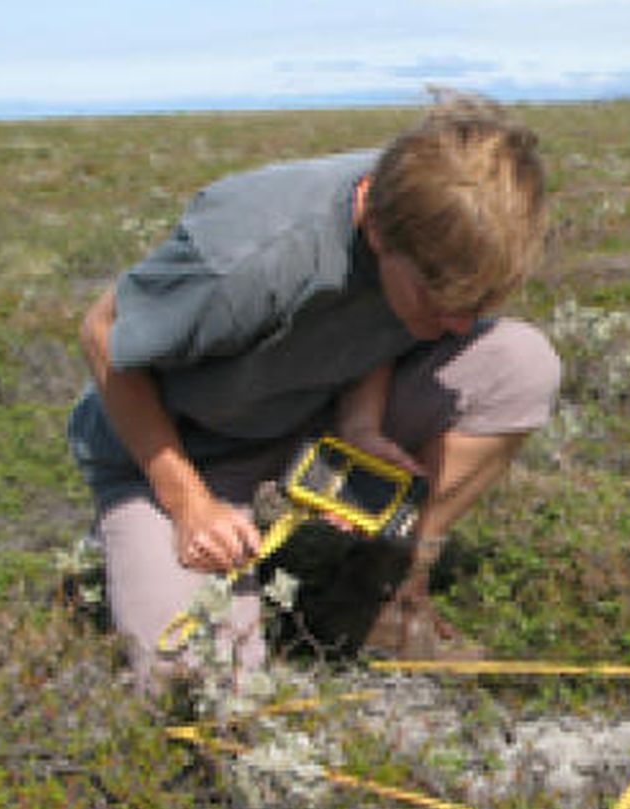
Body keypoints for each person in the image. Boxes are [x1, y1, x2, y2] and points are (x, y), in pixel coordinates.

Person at [67, 94, 561, 688]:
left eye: (475, 306)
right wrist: (188, 503)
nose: (458, 326)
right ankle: (134, 545)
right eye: (438, 304)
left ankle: (376, 597)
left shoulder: (430, 209)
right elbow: (101, 334)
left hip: (308, 418)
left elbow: (375, 323)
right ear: (375, 228)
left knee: (520, 363)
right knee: (198, 682)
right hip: (184, 450)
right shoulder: (245, 255)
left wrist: (361, 429)